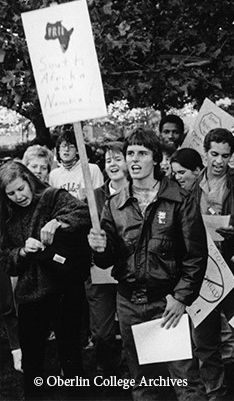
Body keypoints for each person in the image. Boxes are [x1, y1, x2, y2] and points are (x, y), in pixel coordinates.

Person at [88, 128, 208, 401]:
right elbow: (107, 260)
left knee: (186, 382)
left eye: (142, 153)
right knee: (143, 384)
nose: (134, 159)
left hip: (166, 303)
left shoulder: (179, 199)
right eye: (130, 153)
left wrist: (180, 298)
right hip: (129, 302)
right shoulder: (113, 204)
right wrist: (99, 247)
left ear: (156, 158)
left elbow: (195, 256)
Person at [0, 162, 91, 399]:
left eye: (21, 188)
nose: (18, 197)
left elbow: (84, 213)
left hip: (64, 285)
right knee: (32, 357)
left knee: (70, 351)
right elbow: (6, 259)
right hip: (30, 291)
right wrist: (21, 252)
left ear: (30, 181)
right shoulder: (6, 216)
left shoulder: (52, 197)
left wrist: (57, 222)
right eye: (10, 193)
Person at [190, 128, 234, 400]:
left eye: (225, 156)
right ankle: (216, 394)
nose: (218, 161)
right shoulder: (190, 187)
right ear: (205, 153)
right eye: (214, 154)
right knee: (205, 344)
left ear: (232, 157)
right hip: (201, 275)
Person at [87, 141, 128, 375]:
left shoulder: (140, 192)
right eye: (108, 160)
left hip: (129, 271)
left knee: (131, 326)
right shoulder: (94, 196)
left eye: (117, 158)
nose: (112, 164)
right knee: (102, 332)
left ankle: (131, 370)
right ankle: (108, 369)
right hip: (100, 274)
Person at [48, 130, 104, 200]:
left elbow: (100, 198)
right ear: (58, 150)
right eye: (63, 146)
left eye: (71, 146)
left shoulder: (91, 169)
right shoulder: (54, 175)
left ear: (77, 150)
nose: (66, 149)